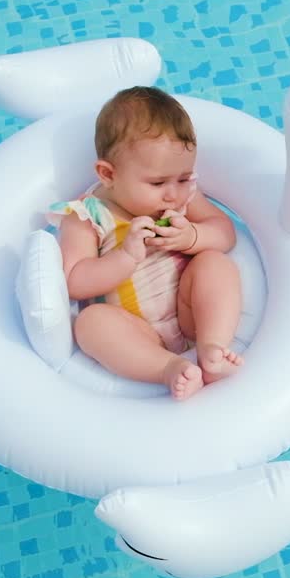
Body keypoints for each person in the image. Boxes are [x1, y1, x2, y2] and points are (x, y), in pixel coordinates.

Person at [48, 86, 244, 400]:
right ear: (108, 174)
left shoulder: (181, 198)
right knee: (90, 323)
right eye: (157, 183)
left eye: (183, 178)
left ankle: (212, 347)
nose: (172, 193)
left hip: (188, 308)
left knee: (215, 262)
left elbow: (225, 232)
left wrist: (192, 236)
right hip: (135, 330)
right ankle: (168, 367)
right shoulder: (88, 215)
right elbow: (73, 281)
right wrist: (125, 256)